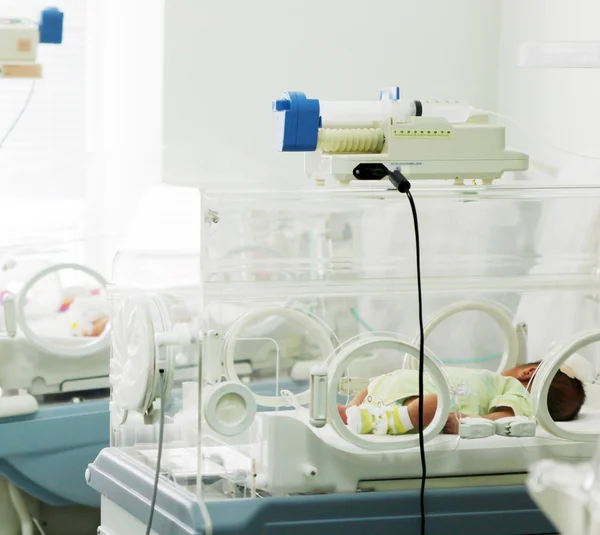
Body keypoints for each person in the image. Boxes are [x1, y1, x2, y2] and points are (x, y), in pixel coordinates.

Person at [337, 362, 586, 435]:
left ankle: (363, 413)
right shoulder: (496, 383)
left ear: (529, 372)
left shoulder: (518, 391)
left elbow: (502, 416)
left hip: (400, 383)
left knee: (432, 405)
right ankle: (361, 413)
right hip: (413, 386)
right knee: (429, 403)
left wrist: (465, 420)